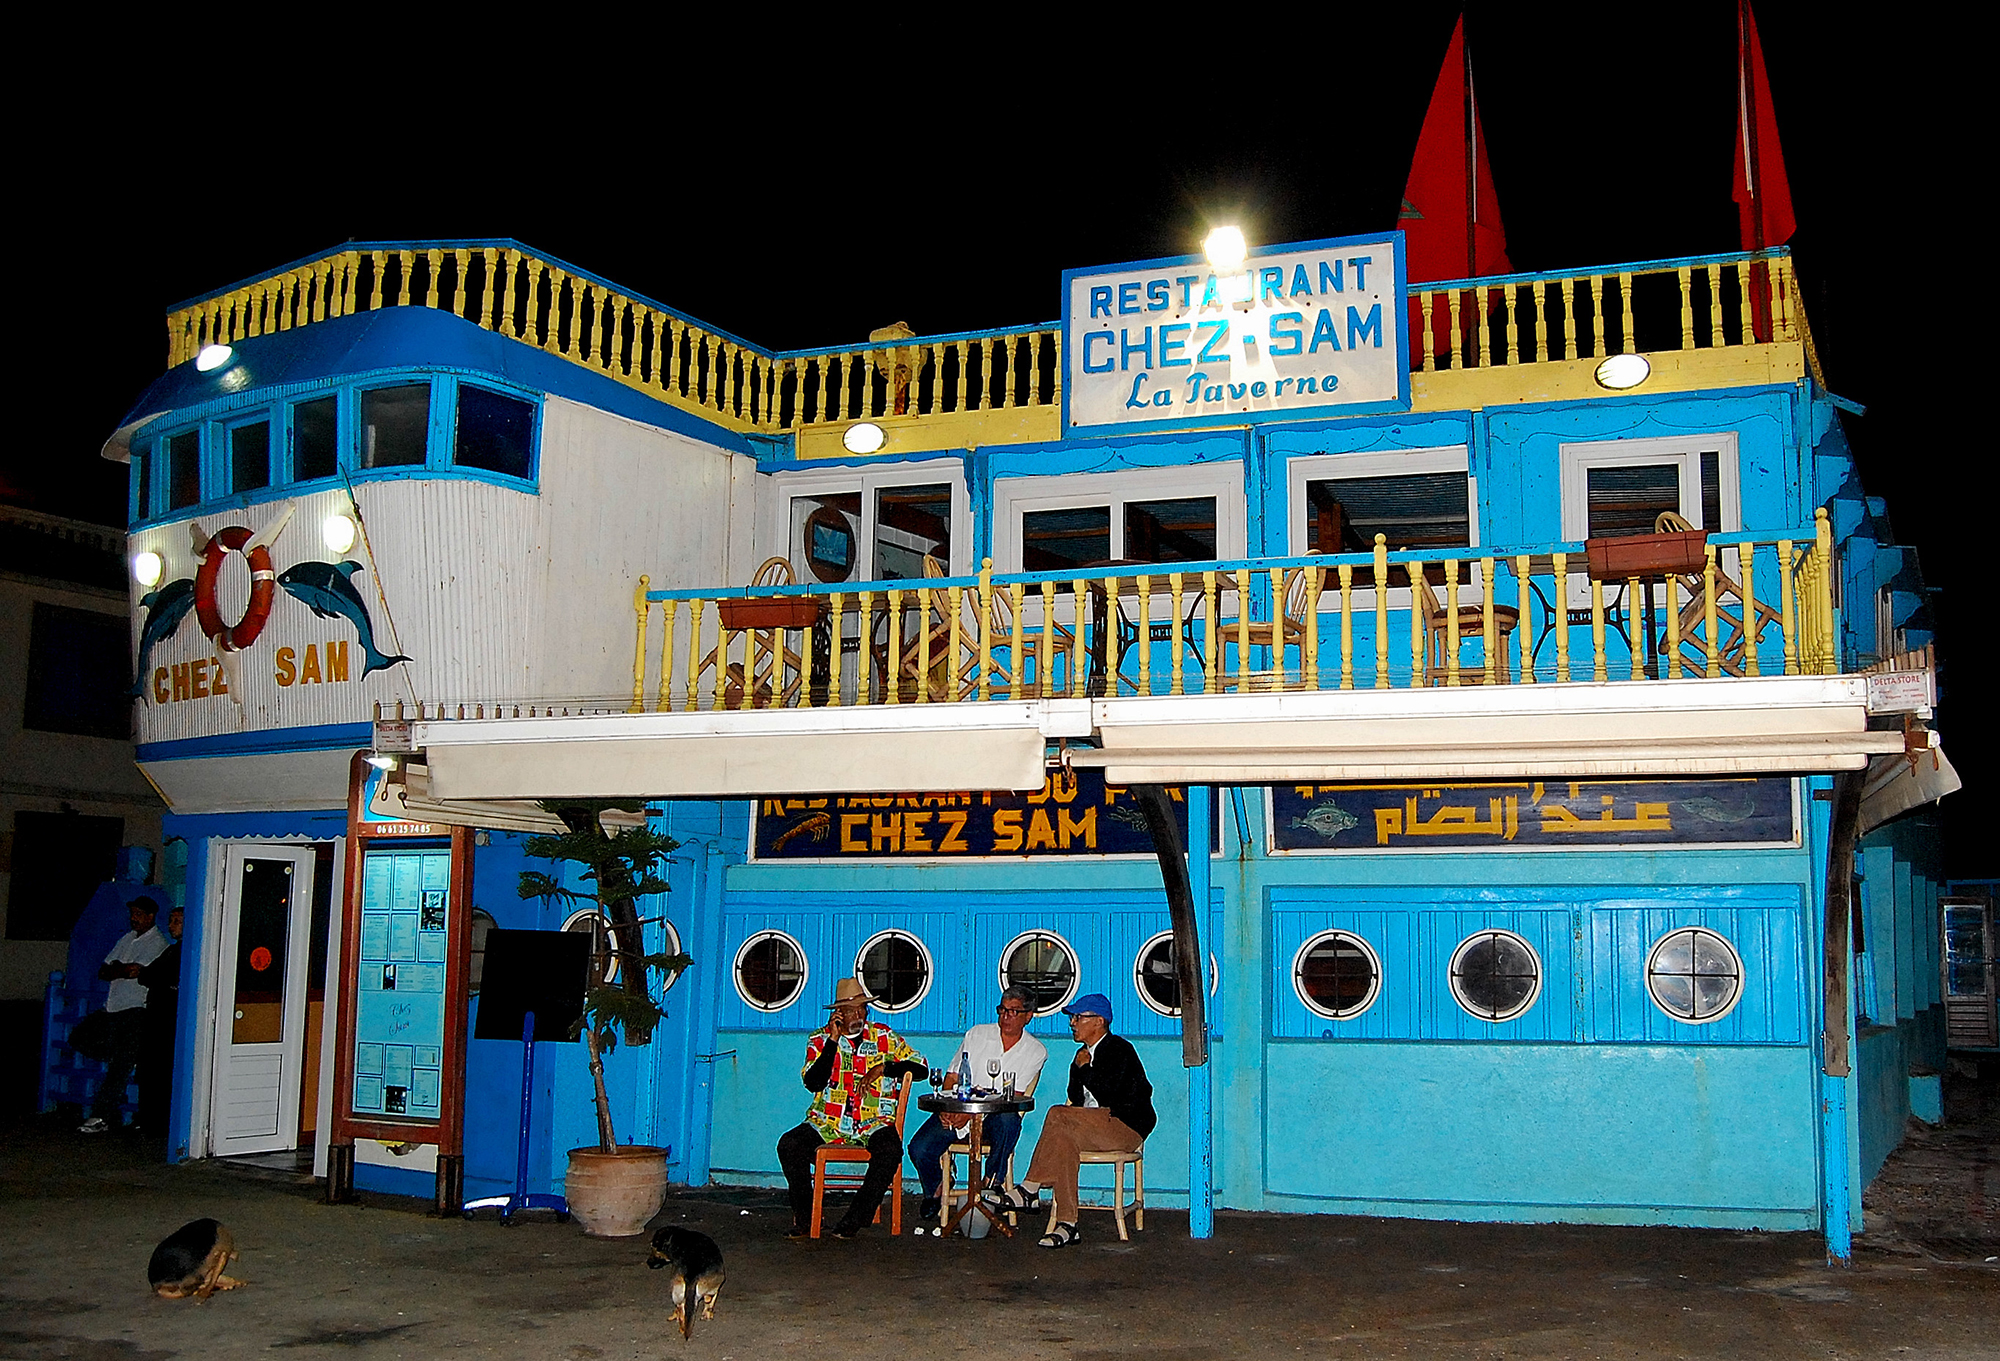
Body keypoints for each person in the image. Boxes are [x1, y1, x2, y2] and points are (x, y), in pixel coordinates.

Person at [982, 992, 1154, 1248]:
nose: (1072, 1023)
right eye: (1072, 1018)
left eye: (1078, 1018)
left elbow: (1110, 1096)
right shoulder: (1081, 1054)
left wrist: (1085, 1069)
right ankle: (1067, 1225)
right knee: (1063, 1140)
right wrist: (1079, 1068)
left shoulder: (1119, 1049)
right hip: (1093, 1126)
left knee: (1057, 1113)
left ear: (1099, 1021)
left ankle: (1030, 1187)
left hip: (1125, 1126)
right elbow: (1075, 1096)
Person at [775, 977, 929, 1239]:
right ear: (838, 1014)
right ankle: (807, 1217)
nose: (858, 1015)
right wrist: (832, 1041)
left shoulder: (884, 1036)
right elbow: (814, 1083)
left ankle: (855, 1219)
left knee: (891, 1150)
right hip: (828, 1121)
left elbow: (921, 1068)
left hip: (873, 1121)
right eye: (851, 1011)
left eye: (862, 1009)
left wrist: (884, 1068)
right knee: (789, 1145)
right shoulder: (819, 1040)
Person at [906, 985, 1050, 1225]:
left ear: (1028, 1016)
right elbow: (952, 1076)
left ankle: (992, 1184)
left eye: (1013, 1012)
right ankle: (936, 1189)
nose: (1006, 1016)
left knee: (1009, 1120)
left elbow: (1011, 1097)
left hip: (993, 1118)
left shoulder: (1036, 1050)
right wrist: (948, 1108)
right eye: (1002, 1010)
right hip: (958, 1109)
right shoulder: (977, 1034)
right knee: (919, 1149)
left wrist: (973, 1116)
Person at [80, 895, 169, 1134]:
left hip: (135, 1009)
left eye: (139, 914)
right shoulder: (127, 938)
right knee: (82, 1037)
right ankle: (108, 1102)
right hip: (113, 1007)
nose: (134, 918)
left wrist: (117, 968)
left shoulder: (157, 943)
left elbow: (134, 972)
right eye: (133, 914)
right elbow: (104, 970)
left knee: (121, 1064)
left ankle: (101, 1114)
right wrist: (119, 969)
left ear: (151, 916)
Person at [136, 905, 184, 1144]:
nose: (172, 926)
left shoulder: (185, 952)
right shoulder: (171, 951)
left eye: (178, 921)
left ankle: (159, 1122)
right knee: (150, 1069)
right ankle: (148, 1119)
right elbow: (146, 975)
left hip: (169, 1020)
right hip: (156, 1016)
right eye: (171, 920)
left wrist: (159, 980)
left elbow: (157, 976)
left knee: (162, 1071)